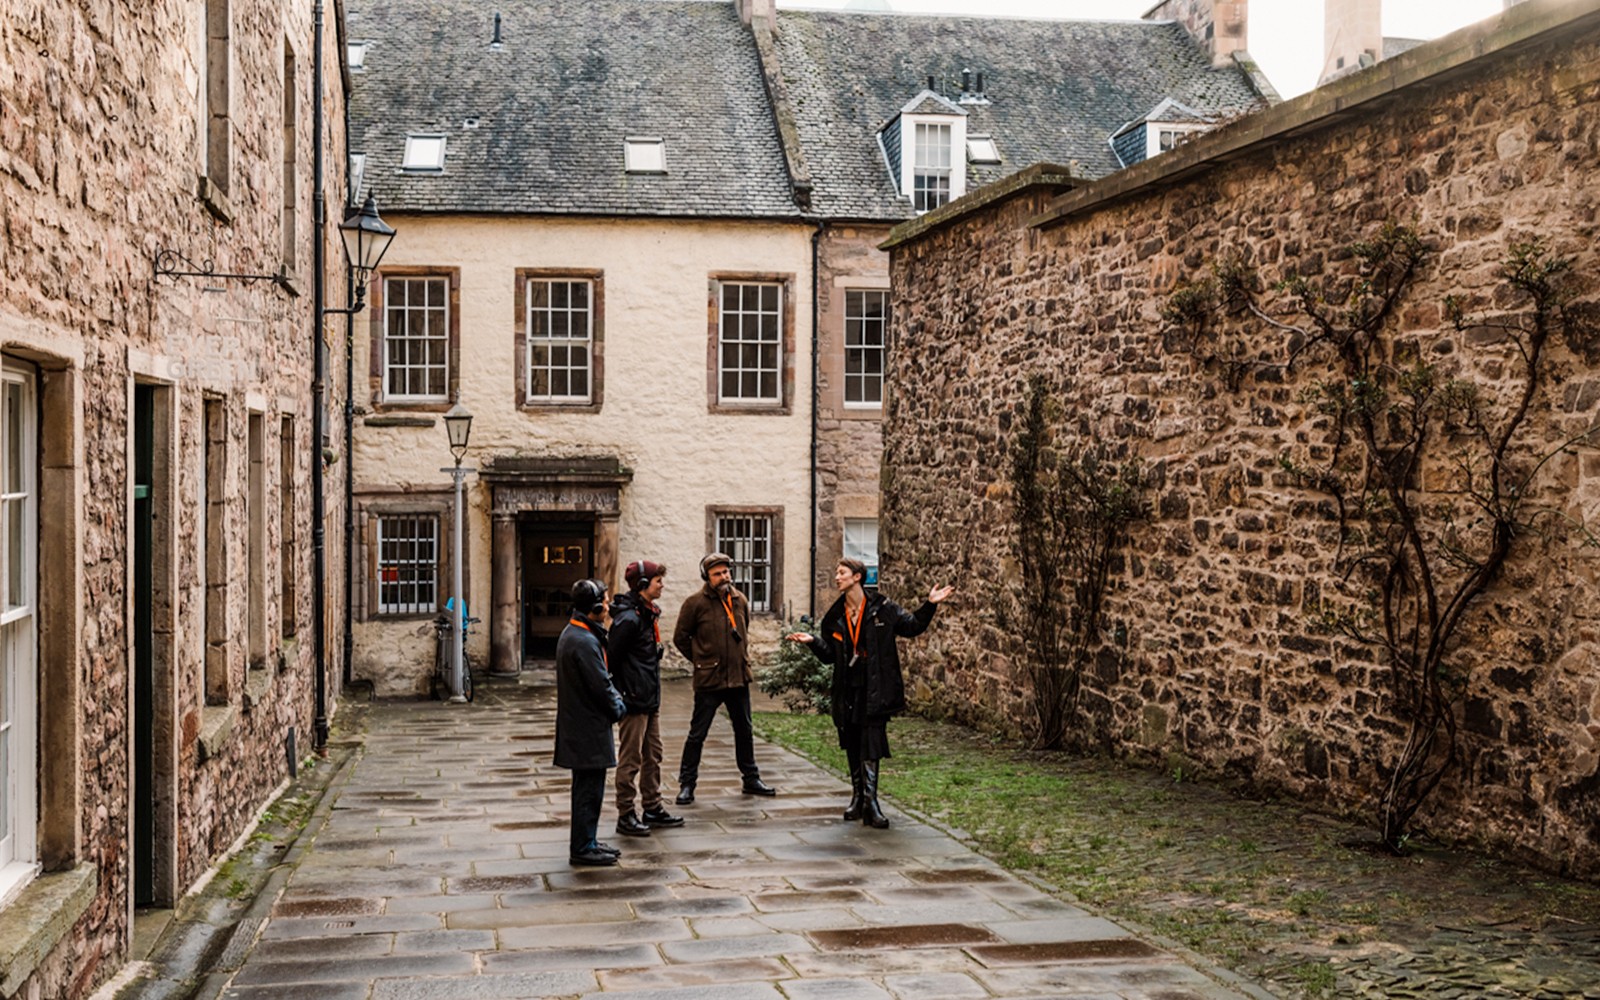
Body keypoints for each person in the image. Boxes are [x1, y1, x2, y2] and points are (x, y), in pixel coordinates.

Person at [785, 560, 954, 828]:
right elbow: (830, 656)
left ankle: (871, 801)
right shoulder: (835, 616)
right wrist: (813, 642)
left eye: (841, 573)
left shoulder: (882, 609)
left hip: (874, 687)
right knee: (851, 739)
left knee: (871, 740)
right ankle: (857, 798)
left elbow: (911, 626)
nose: (836, 577)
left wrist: (930, 604)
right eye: (837, 572)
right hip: (847, 687)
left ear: (857, 577)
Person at [672, 552, 775, 804]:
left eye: (726, 572)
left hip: (738, 677)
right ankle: (687, 783)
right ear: (707, 577)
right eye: (717, 573)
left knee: (744, 730)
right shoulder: (694, 603)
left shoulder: (739, 599)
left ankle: (751, 778)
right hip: (710, 680)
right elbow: (680, 638)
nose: (723, 577)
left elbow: (744, 630)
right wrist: (701, 660)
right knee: (698, 733)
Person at [554, 578, 628, 866]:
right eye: (606, 602)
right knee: (588, 791)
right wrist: (620, 707)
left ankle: (589, 840)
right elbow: (600, 685)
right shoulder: (582, 640)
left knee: (589, 789)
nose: (609, 607)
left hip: (583, 725)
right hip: (587, 727)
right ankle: (583, 847)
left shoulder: (579, 633)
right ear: (595, 607)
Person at [609, 559, 685, 837]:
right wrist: (623, 694)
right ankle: (626, 814)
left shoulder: (646, 614)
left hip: (649, 698)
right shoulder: (629, 619)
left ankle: (652, 807)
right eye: (658, 580)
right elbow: (611, 661)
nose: (662, 585)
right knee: (630, 760)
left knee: (653, 755)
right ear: (643, 585)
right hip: (633, 700)